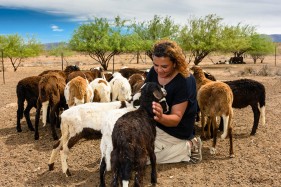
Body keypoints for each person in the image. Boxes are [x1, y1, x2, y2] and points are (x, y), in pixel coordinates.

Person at [145, 39, 202, 164]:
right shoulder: (152, 74)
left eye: (164, 66)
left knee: (138, 159)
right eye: (156, 65)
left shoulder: (185, 80)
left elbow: (176, 119)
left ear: (175, 63)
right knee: (128, 148)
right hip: (154, 125)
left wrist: (160, 117)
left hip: (176, 132)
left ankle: (188, 146)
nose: (159, 70)